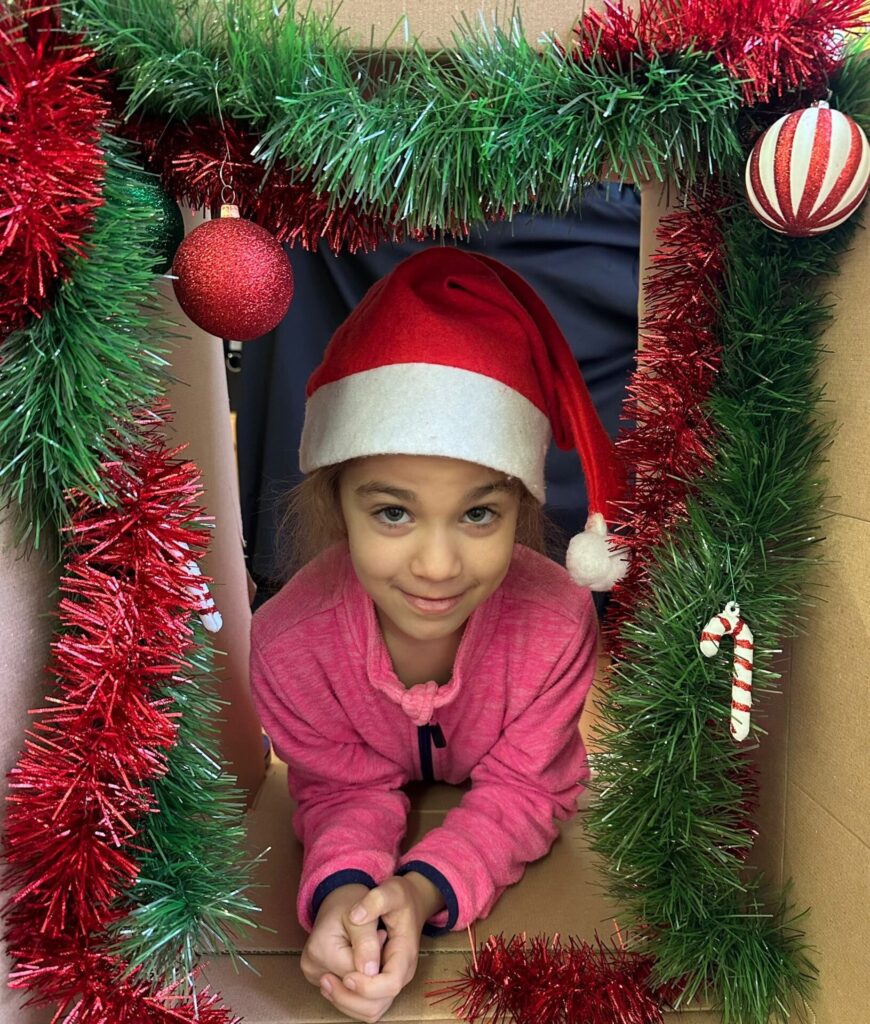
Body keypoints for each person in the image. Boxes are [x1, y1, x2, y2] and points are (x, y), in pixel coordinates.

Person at [249, 247, 627, 1023]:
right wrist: (349, 894)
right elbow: (340, 788)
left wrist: (421, 892)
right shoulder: (290, 645)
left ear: (522, 507)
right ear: (337, 502)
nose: (437, 565)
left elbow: (532, 788)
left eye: (478, 513)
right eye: (393, 512)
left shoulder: (556, 625)